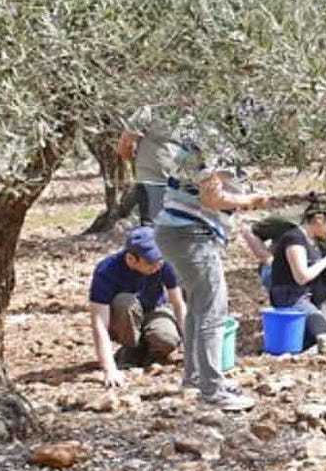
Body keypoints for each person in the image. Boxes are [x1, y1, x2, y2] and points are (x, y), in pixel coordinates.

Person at [153, 120, 270, 411]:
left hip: (178, 231)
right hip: (190, 234)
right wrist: (249, 201)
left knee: (198, 306)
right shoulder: (210, 141)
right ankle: (212, 390)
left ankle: (195, 377)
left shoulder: (198, 135)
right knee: (212, 311)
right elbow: (211, 198)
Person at [88, 227, 185, 388]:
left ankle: (145, 353)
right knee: (126, 302)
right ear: (131, 259)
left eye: (159, 261)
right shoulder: (106, 271)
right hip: (122, 316)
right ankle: (130, 349)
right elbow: (99, 323)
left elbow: (179, 305)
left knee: (167, 340)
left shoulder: (164, 264)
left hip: (153, 309)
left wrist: (192, 347)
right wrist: (109, 369)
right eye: (150, 263)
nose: (157, 266)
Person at [266, 195, 326, 350]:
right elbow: (301, 277)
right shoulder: (294, 239)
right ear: (319, 220)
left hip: (309, 293)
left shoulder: (314, 241)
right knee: (323, 339)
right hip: (292, 298)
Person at [241, 204, 326, 292]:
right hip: (282, 272)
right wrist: (268, 259)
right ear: (318, 220)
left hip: (313, 272)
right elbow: (249, 231)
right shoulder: (287, 221)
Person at [116, 107, 182, 225]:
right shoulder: (147, 112)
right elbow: (124, 146)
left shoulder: (198, 115)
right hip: (153, 183)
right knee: (153, 233)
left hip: (181, 187)